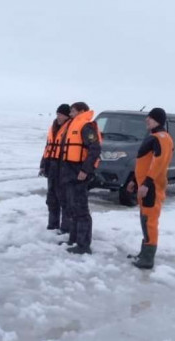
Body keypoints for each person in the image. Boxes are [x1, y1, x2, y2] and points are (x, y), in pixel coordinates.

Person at [126, 108, 174, 269]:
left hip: (152, 187)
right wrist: (134, 179)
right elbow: (143, 162)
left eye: (151, 118)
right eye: (148, 117)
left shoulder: (162, 138)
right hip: (145, 185)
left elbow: (159, 163)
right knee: (145, 219)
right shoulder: (153, 137)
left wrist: (146, 183)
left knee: (150, 221)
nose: (147, 120)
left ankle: (148, 258)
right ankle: (144, 253)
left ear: (159, 121)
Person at [59, 102, 102, 254]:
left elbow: (95, 149)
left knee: (81, 209)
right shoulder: (73, 125)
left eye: (73, 111)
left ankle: (84, 245)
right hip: (70, 172)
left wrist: (85, 170)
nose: (70, 114)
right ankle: (74, 239)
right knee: (72, 207)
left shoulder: (86, 126)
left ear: (82, 111)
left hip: (79, 172)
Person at [40, 104, 72, 232]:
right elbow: (48, 148)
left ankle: (65, 228)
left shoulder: (70, 129)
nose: (58, 117)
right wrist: (43, 165)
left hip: (63, 168)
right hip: (51, 167)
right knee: (51, 199)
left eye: (60, 115)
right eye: (57, 114)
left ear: (67, 115)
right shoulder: (53, 128)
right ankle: (52, 225)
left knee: (64, 199)